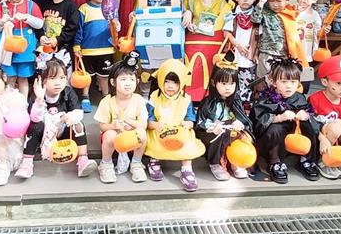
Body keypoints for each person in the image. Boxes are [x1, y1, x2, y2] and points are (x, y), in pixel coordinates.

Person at [17, 60, 96, 179]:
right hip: (44, 134)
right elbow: (34, 118)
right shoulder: (37, 94)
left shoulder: (67, 92)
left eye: (62, 78)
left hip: (62, 131)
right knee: (34, 126)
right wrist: (39, 100)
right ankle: (27, 162)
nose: (58, 83)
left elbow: (78, 111)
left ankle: (83, 159)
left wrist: (71, 116)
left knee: (78, 125)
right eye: (52, 78)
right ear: (43, 80)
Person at [250, 57, 320, 184]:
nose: (289, 86)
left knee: (308, 124)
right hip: (274, 141)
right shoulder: (267, 98)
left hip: (294, 137)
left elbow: (310, 113)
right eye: (283, 81)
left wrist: (305, 115)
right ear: (273, 81)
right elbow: (258, 120)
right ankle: (274, 163)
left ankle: (306, 159)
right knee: (274, 129)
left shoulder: (299, 97)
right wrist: (278, 118)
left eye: (293, 82)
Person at [144, 59, 206, 192]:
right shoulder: (154, 97)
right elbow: (149, 118)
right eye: (166, 81)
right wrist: (155, 124)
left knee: (187, 141)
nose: (170, 86)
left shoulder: (186, 98)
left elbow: (191, 118)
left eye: (175, 82)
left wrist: (188, 123)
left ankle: (186, 169)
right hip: (160, 129)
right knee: (155, 141)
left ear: (181, 82)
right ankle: (154, 161)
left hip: (179, 129)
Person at [94, 54, 150, 184]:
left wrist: (129, 122)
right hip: (114, 139)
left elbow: (143, 124)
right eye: (123, 79)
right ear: (113, 82)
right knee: (109, 134)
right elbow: (102, 126)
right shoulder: (107, 101)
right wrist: (114, 126)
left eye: (131, 79)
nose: (128, 83)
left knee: (141, 133)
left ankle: (136, 163)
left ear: (137, 82)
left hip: (130, 139)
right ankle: (106, 164)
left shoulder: (139, 100)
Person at [182, 0, 234, 103]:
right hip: (194, 40)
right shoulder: (192, 1)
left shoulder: (223, 3)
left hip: (213, 41)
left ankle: (209, 98)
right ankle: (191, 97)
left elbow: (226, 23)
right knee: (191, 67)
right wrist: (188, 18)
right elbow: (189, 17)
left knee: (211, 69)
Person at [195, 61, 253, 180]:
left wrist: (240, 123)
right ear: (214, 83)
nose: (228, 88)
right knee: (222, 133)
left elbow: (243, 119)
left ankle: (235, 161)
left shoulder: (235, 101)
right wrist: (212, 127)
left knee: (244, 135)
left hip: (231, 131)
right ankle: (215, 163)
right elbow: (201, 121)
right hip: (214, 133)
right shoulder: (208, 102)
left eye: (232, 83)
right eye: (224, 83)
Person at [0, 0, 44, 96]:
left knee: (23, 78)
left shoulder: (31, 5)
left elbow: (40, 24)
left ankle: (23, 103)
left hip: (26, 50)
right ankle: (9, 101)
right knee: (9, 78)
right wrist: (1, 22)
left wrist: (27, 17)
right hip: (7, 49)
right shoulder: (0, 6)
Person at [73, 0, 118, 113]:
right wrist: (77, 46)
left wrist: (116, 25)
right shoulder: (83, 9)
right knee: (87, 77)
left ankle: (106, 97)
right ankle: (85, 97)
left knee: (104, 77)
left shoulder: (111, 8)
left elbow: (116, 27)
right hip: (87, 50)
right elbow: (79, 30)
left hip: (106, 49)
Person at [307, 55, 341, 180]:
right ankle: (324, 159)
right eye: (338, 83)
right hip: (320, 135)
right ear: (325, 82)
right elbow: (310, 122)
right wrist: (322, 138)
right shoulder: (315, 99)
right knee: (335, 128)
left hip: (336, 136)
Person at [251, 0, 308, 79]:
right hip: (267, 53)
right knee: (263, 81)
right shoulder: (265, 13)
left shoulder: (290, 13)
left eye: (279, 1)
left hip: (284, 55)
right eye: (272, 1)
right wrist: (261, 3)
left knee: (282, 80)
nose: (275, 4)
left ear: (287, 0)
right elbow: (255, 19)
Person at [223, 0, 265, 105]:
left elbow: (261, 36)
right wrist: (237, 45)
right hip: (235, 54)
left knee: (248, 83)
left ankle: (245, 107)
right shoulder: (232, 15)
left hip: (250, 56)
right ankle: (233, 105)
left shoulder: (258, 16)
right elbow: (226, 32)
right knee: (232, 81)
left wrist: (257, 53)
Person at [37, 0, 78, 75]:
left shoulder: (71, 6)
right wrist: (41, 36)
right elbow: (39, 24)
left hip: (63, 51)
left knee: (63, 76)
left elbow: (72, 29)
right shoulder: (44, 4)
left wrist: (58, 40)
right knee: (45, 75)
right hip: (45, 50)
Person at [294, 0, 324, 94]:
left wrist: (324, 31)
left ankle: (302, 100)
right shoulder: (291, 11)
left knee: (305, 84)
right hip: (292, 55)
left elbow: (318, 33)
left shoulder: (315, 15)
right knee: (291, 81)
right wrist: (296, 13)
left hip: (308, 56)